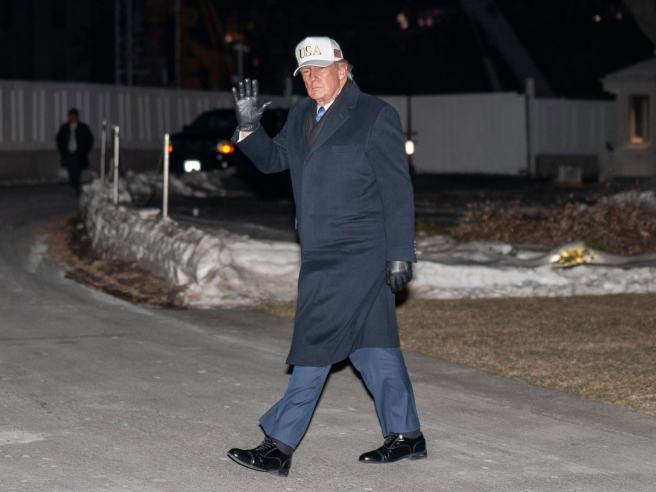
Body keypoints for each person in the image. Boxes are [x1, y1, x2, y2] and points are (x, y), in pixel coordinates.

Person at [227, 37, 425, 477]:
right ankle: (406, 435)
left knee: (314, 339)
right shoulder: (301, 113)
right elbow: (274, 160)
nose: (312, 77)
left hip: (360, 250)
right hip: (319, 249)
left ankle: (278, 445)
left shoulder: (375, 115)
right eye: (306, 72)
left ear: (343, 69)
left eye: (320, 68)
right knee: (372, 344)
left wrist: (400, 252)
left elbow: (397, 190)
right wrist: (249, 129)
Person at [56, 108, 94, 197]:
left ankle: (76, 186)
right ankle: (73, 186)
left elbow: (89, 139)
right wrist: (63, 150)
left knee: (78, 170)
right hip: (69, 153)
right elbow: (59, 140)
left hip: (79, 153)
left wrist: (85, 150)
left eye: (74, 117)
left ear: (77, 117)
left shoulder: (83, 128)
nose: (73, 118)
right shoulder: (65, 128)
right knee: (71, 170)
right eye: (71, 117)